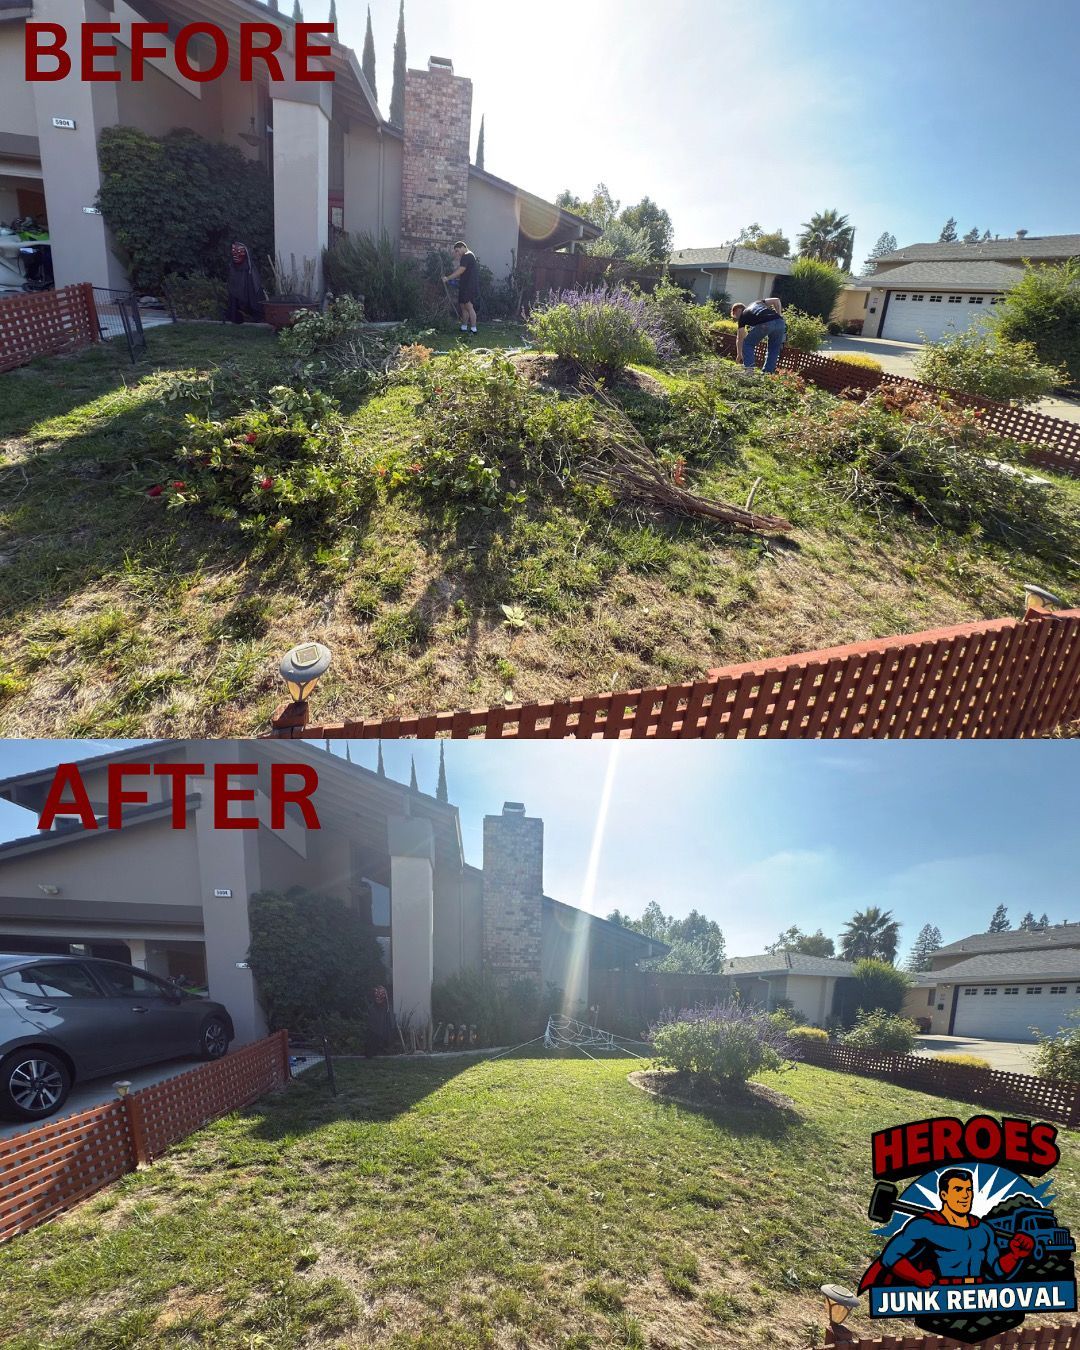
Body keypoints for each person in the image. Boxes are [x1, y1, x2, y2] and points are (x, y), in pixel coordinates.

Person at [859, 1170, 1035, 1290]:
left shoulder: (983, 1230)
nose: (965, 1195)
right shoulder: (925, 1226)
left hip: (976, 1296)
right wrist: (915, 1276)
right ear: (944, 1195)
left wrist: (1014, 1255)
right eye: (958, 1189)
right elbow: (891, 1256)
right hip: (939, 1295)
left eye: (968, 1190)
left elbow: (997, 1269)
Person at [732, 296, 785, 373]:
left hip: (766, 323)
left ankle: (749, 370)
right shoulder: (756, 303)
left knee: (747, 343)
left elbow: (740, 338)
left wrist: (739, 354)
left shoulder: (743, 317)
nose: (735, 317)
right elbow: (776, 300)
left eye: (734, 314)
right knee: (774, 348)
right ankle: (767, 373)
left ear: (736, 311)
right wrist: (779, 315)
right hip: (780, 323)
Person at [443, 240, 479, 333]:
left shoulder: (467, 255)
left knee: (469, 306)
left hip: (469, 286)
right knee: (463, 306)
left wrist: (448, 278)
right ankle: (464, 327)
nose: (457, 253)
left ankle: (474, 329)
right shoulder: (467, 256)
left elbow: (461, 270)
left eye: (457, 250)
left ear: (463, 247)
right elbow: (464, 271)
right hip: (464, 285)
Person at [225, 242, 264, 324]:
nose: (235, 255)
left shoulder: (249, 270)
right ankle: (235, 315)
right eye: (233, 251)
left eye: (239, 252)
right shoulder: (232, 267)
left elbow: (255, 288)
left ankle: (250, 315)